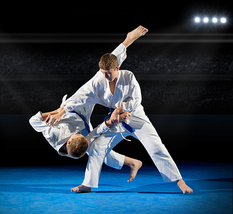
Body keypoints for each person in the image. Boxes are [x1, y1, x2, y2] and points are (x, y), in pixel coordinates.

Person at [47, 26, 193, 194]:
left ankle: (179, 181)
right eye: (102, 72)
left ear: (117, 68)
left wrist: (121, 109)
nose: (105, 76)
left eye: (108, 73)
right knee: (95, 147)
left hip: (136, 117)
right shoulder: (97, 81)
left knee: (156, 147)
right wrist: (61, 111)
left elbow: (136, 99)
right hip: (117, 121)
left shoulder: (128, 76)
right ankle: (88, 184)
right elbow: (78, 97)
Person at [29, 94, 139, 179]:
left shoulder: (53, 134)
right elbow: (96, 131)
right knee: (97, 149)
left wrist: (58, 112)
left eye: (76, 136)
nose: (78, 135)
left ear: (68, 142)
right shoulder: (78, 147)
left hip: (73, 108)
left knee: (98, 83)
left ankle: (115, 67)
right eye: (79, 136)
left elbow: (33, 120)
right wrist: (116, 119)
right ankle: (132, 162)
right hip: (83, 122)